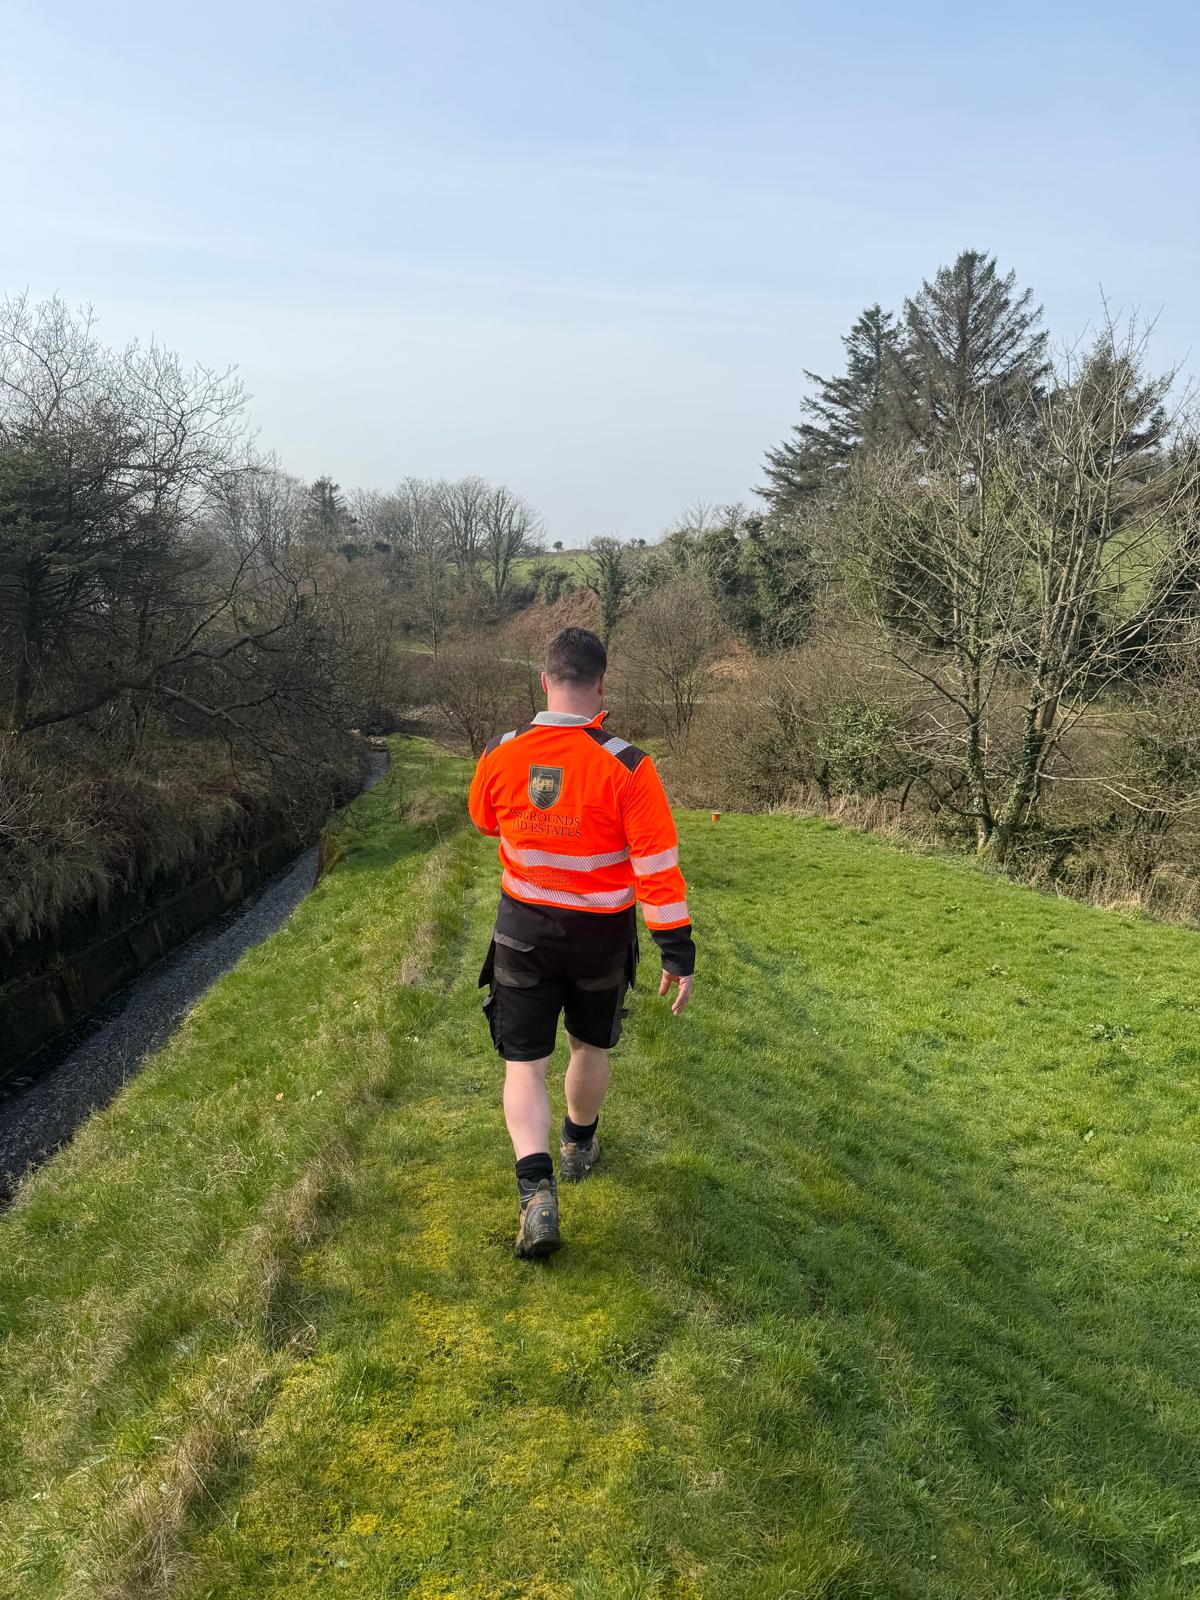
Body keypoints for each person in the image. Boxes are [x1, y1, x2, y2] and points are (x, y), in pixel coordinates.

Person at [468, 626, 695, 1258]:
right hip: (600, 937)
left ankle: (534, 1189)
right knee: (590, 1045)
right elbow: (657, 866)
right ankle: (577, 1142)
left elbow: (485, 819)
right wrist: (677, 952)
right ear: (601, 685)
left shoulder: (502, 752)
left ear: (545, 680)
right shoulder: (629, 765)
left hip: (523, 931)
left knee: (524, 1063)